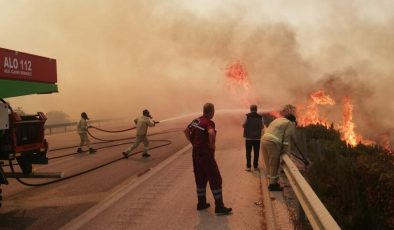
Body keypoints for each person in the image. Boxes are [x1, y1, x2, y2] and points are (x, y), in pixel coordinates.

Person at [184, 102, 232, 215]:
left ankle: (201, 203)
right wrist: (212, 145)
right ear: (212, 111)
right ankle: (219, 207)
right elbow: (211, 133)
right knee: (215, 178)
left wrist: (192, 142)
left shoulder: (196, 120)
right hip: (206, 155)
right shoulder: (208, 122)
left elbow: (186, 131)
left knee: (200, 178)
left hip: (196, 154)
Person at [261, 104, 297, 191]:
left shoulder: (278, 119)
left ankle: (271, 181)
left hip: (264, 140)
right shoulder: (290, 123)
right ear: (293, 121)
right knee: (274, 164)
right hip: (273, 143)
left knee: (268, 163)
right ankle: (273, 185)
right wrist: (285, 152)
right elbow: (286, 139)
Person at [242, 104, 264, 171]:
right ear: (256, 109)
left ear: (250, 109)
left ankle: (248, 167)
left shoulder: (247, 116)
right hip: (257, 138)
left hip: (248, 138)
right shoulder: (260, 117)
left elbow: (243, 125)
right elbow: (262, 126)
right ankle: (255, 167)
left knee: (248, 153)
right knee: (256, 152)